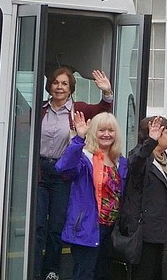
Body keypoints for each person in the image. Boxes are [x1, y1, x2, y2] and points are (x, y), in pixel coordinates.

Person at [37, 68, 114, 280]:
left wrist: (107, 93)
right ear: (49, 87)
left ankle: (51, 271)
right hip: (40, 172)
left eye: (64, 83)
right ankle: (34, 271)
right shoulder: (41, 109)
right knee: (38, 226)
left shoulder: (78, 109)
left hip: (64, 174)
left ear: (71, 88)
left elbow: (102, 111)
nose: (59, 87)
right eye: (55, 83)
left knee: (55, 227)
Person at [55, 112, 127, 280]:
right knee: (84, 274)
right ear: (94, 132)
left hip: (111, 229)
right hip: (88, 227)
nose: (107, 134)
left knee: (104, 274)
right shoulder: (84, 157)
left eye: (111, 130)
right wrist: (79, 139)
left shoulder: (120, 162)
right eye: (101, 130)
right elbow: (63, 169)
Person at [118, 116, 167, 280]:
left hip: (162, 231)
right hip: (145, 231)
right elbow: (135, 162)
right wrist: (150, 142)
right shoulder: (143, 158)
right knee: (144, 273)